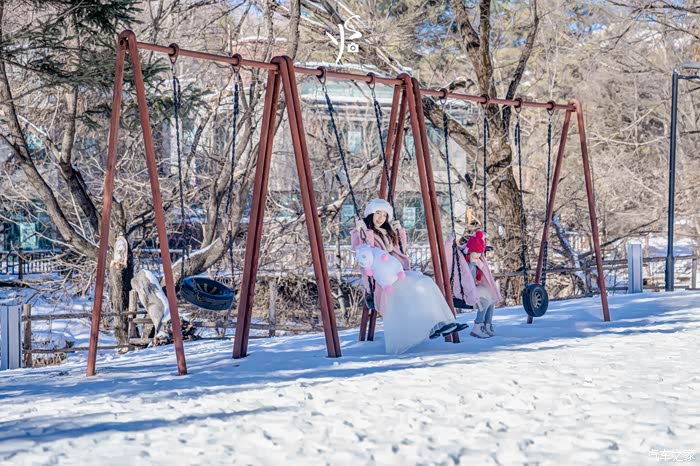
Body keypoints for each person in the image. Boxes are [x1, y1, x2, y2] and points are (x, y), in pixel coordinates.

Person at [351, 198, 468, 354]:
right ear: (370, 214)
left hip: (397, 273)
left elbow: (401, 252)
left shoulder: (386, 233)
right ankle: (433, 326)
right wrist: (363, 230)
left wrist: (399, 232)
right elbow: (364, 251)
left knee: (426, 283)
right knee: (420, 286)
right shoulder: (361, 233)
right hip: (381, 281)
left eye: (385, 215)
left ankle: (442, 323)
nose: (381, 218)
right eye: (378, 213)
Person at [445, 230, 502, 338]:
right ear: (469, 251)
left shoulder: (475, 261)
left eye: (480, 253)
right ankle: (477, 327)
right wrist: (450, 241)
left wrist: (481, 237)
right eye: (476, 253)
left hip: (471, 289)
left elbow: (474, 242)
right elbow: (447, 253)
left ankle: (487, 325)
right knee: (485, 300)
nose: (478, 255)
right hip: (462, 291)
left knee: (492, 297)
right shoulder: (462, 262)